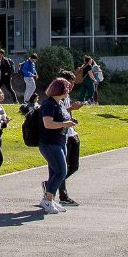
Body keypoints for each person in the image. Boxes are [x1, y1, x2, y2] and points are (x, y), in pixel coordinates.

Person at [38, 77, 78, 214]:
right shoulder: (48, 104)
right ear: (60, 89)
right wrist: (65, 124)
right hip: (50, 143)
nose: (69, 90)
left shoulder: (59, 104)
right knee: (62, 171)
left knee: (55, 172)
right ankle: (47, 200)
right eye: (67, 88)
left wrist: (70, 120)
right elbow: (48, 124)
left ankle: (51, 199)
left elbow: (62, 118)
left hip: (60, 141)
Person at [55, 70, 83, 207]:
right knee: (63, 166)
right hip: (62, 135)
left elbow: (66, 115)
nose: (71, 86)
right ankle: (63, 196)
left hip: (71, 132)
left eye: (72, 84)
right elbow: (57, 115)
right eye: (69, 84)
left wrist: (72, 116)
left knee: (74, 166)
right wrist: (72, 108)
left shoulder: (67, 96)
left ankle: (51, 184)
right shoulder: (56, 97)